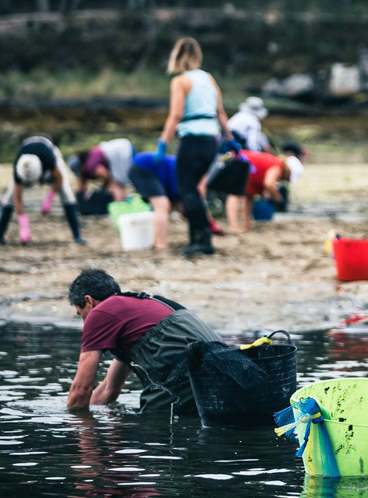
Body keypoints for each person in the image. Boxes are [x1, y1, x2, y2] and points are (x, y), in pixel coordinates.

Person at [66, 268, 222, 414]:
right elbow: (109, 389)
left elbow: (81, 389)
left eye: (81, 314)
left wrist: (73, 424)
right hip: (222, 370)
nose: (84, 321)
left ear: (88, 301)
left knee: (152, 425)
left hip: (188, 371)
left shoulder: (100, 313)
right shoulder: (135, 312)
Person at [156, 36, 239, 256]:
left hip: (192, 139)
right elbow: (221, 112)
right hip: (211, 140)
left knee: (187, 190)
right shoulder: (208, 78)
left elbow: (175, 115)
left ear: (177, 56)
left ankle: (203, 240)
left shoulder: (181, 81)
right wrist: (230, 138)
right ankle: (197, 238)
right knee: (195, 190)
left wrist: (163, 143)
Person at [0, 135, 84, 245]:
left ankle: (77, 236)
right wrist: (24, 227)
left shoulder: (48, 159)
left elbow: (59, 178)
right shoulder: (19, 167)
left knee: (66, 192)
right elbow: (18, 198)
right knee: (9, 197)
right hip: (26, 148)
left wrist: (49, 199)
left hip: (48, 148)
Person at [224, 149, 303, 233]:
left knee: (249, 197)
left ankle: (246, 226)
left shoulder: (274, 162)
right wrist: (278, 198)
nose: (285, 180)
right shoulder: (277, 165)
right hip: (238, 162)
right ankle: (234, 227)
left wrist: (264, 194)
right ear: (288, 171)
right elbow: (269, 184)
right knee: (234, 194)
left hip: (244, 167)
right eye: (287, 178)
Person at [128, 151, 179, 251]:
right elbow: (177, 197)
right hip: (142, 167)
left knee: (161, 205)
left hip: (145, 168)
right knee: (162, 205)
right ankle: (160, 245)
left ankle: (156, 241)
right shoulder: (182, 171)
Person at [68, 138, 136, 201]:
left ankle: (121, 204)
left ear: (81, 166)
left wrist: (106, 186)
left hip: (121, 152)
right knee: (119, 183)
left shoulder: (89, 166)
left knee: (116, 185)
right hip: (125, 145)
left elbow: (104, 173)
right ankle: (126, 201)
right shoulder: (92, 155)